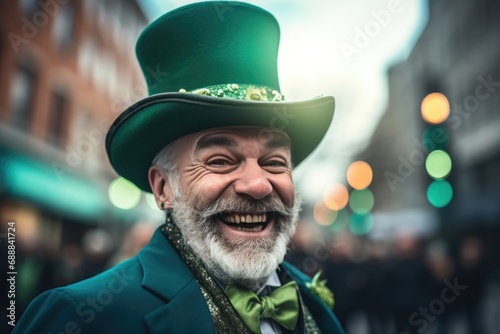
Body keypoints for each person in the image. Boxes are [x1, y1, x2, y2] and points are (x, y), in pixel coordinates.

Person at [14, 2, 344, 333]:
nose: (258, 185)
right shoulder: (80, 317)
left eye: (274, 163)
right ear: (162, 188)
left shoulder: (313, 302)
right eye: (220, 161)